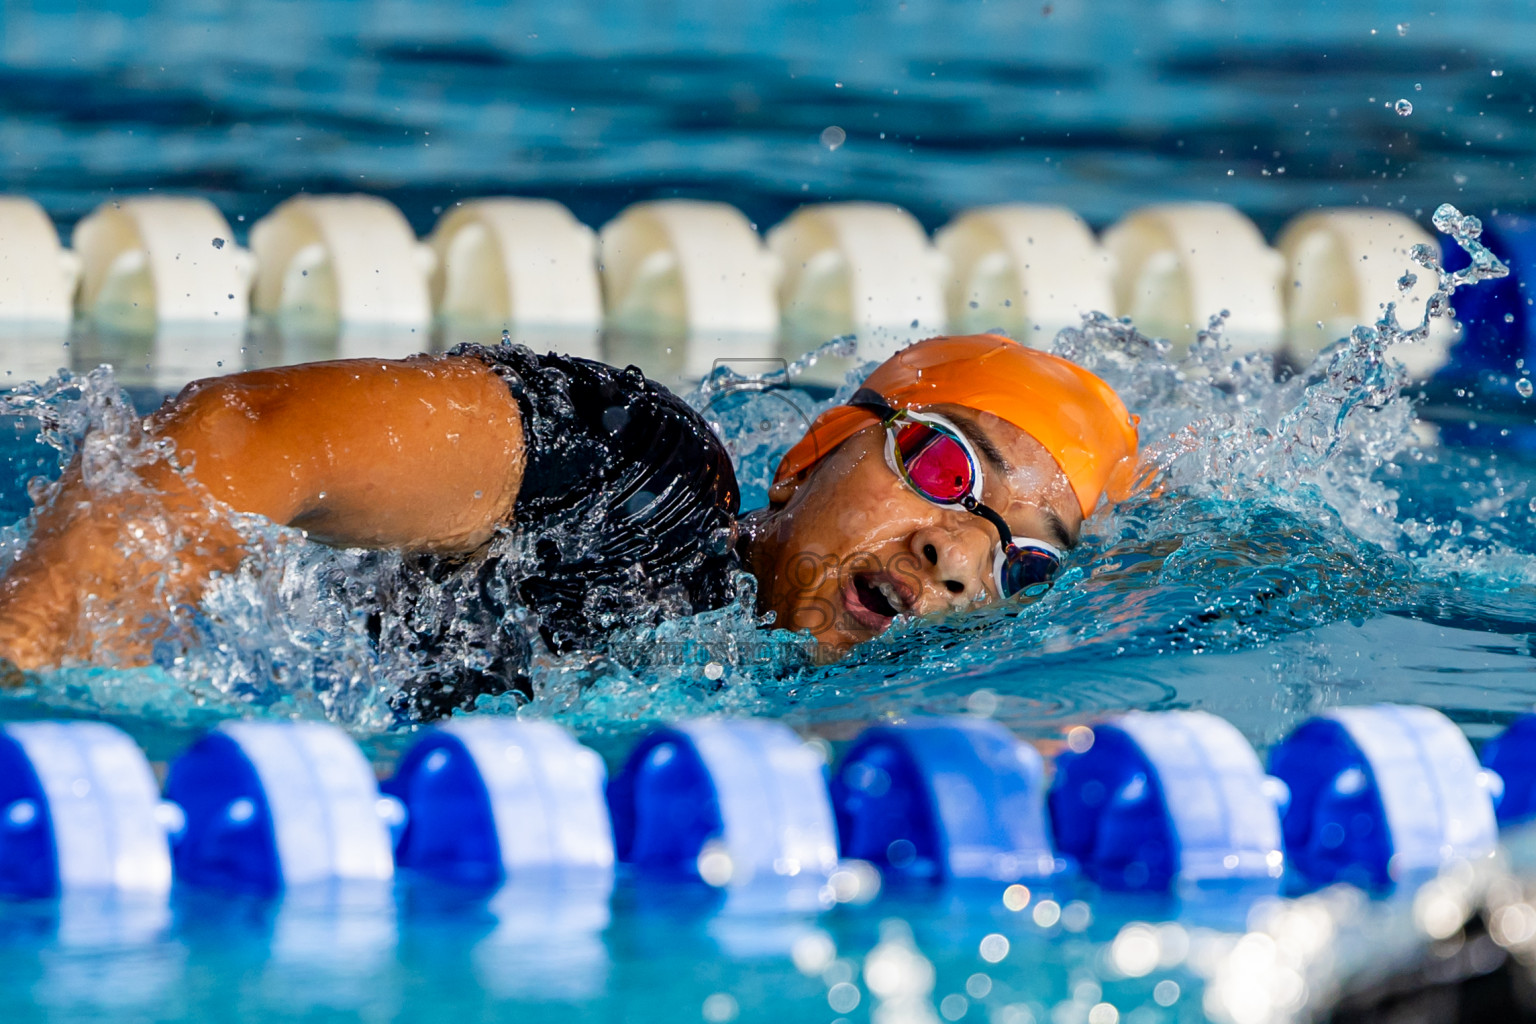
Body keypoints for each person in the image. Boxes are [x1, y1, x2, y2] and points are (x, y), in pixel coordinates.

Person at [0, 333, 1138, 718]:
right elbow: (238, 438)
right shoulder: (638, 483)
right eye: (939, 466)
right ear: (815, 451)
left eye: (1022, 561)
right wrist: (31, 674)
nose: (957, 557)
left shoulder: (873, 715)